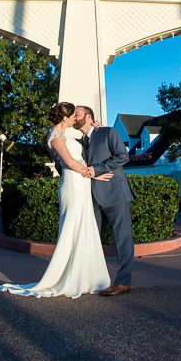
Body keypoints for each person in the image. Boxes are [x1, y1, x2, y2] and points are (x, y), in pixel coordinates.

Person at [0, 102, 113, 298]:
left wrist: (95, 129)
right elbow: (69, 162)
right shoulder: (55, 137)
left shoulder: (67, 135)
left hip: (81, 183)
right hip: (73, 185)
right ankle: (69, 276)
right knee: (72, 228)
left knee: (84, 227)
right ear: (65, 118)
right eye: (74, 115)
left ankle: (88, 275)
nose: (76, 118)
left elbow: (85, 145)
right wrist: (95, 174)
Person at [74, 105, 136, 296]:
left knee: (123, 239)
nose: (73, 117)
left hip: (115, 193)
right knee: (92, 239)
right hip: (92, 197)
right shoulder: (79, 141)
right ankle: (94, 279)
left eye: (76, 114)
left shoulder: (108, 132)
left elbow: (123, 156)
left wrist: (96, 169)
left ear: (88, 117)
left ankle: (123, 282)